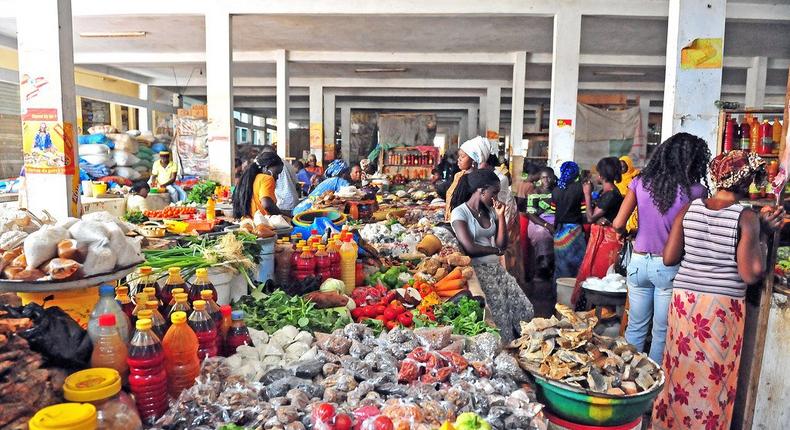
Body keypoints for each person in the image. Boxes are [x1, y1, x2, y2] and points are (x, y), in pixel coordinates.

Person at [652, 150, 784, 430]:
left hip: (685, 302)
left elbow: (669, 258)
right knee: (714, 375)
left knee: (680, 368)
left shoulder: (691, 208)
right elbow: (752, 273)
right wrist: (763, 233)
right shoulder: (745, 216)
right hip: (720, 308)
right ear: (746, 180)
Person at [612, 132, 711, 363]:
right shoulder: (697, 192)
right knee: (661, 332)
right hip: (668, 266)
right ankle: (655, 390)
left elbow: (618, 224)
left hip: (637, 264)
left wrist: (631, 232)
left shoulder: (639, 183)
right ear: (694, 160)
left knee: (635, 328)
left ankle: (627, 381)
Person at [450, 169, 534, 341]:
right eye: (493, 193)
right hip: (478, 271)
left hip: (496, 268)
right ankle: (507, 351)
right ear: (481, 191)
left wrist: (500, 216)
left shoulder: (489, 211)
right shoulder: (460, 213)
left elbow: (503, 244)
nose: (496, 197)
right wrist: (495, 250)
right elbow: (470, 247)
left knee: (525, 308)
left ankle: (522, 345)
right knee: (500, 316)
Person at [571, 157, 624, 306]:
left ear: (601, 175)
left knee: (598, 278)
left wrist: (587, 194)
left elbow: (590, 217)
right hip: (604, 241)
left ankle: (594, 313)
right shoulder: (607, 192)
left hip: (605, 244)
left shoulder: (611, 194)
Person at [486, 154, 525, 287]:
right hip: (501, 219)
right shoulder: (493, 176)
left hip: (506, 222)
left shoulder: (500, 179)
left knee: (507, 255)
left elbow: (502, 208)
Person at [551, 161, 587, 290]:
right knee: (577, 265)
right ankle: (576, 296)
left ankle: (559, 295)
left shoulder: (556, 191)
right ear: (576, 173)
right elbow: (584, 212)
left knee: (561, 265)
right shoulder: (580, 189)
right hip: (575, 231)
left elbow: (553, 212)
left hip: (560, 232)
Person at [446, 136, 493, 222]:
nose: (459, 159)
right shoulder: (458, 176)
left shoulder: (479, 181)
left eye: (463, 156)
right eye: (459, 156)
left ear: (474, 160)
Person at [292, 160, 359, 215]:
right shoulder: (340, 181)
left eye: (360, 172)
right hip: (306, 211)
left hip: (301, 208)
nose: (359, 174)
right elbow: (351, 197)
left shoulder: (331, 180)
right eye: (356, 172)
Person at [232, 152, 287, 219]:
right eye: (276, 173)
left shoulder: (251, 179)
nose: (277, 177)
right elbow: (267, 205)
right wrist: (284, 216)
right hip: (263, 224)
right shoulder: (267, 178)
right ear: (266, 168)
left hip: (249, 223)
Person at [525, 167, 557, 282]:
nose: (546, 180)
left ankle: (554, 268)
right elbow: (531, 214)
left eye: (549, 177)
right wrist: (547, 225)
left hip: (555, 220)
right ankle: (542, 266)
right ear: (539, 179)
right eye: (543, 177)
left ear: (553, 178)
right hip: (538, 221)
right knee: (541, 234)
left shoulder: (557, 191)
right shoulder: (535, 193)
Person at [259, 145, 300, 211]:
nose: (277, 177)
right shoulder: (286, 163)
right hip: (293, 203)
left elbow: (266, 203)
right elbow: (297, 185)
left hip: (282, 205)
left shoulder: (273, 168)